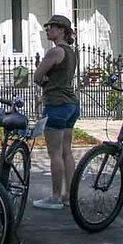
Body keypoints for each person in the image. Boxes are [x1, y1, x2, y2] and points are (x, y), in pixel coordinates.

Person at [32, 14, 79, 210]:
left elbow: (37, 76)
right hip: (71, 104)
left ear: (62, 31)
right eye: (47, 26)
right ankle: (69, 195)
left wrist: (44, 81)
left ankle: (55, 197)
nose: (48, 29)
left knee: (55, 154)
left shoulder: (55, 52)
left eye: (52, 26)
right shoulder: (72, 52)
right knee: (67, 151)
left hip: (56, 104)